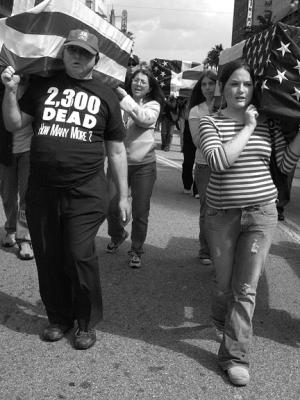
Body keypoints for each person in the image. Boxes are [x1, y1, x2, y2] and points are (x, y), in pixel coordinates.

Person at [1, 29, 130, 350]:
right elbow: (14, 123)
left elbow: (116, 150)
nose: (77, 57)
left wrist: (123, 196)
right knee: (48, 255)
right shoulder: (43, 87)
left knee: (78, 253)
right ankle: (59, 317)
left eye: (84, 53)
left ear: (95, 60)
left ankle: (86, 322)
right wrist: (10, 91)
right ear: (63, 53)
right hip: (42, 190)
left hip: (86, 193)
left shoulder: (106, 95)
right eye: (72, 50)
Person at [199, 59, 300, 386]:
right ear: (223, 88)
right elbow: (218, 161)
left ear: (254, 87)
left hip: (261, 214)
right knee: (224, 285)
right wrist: (247, 127)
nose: (240, 90)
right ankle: (220, 317)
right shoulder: (210, 122)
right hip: (222, 216)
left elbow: (284, 164)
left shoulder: (269, 124)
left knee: (245, 289)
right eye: (233, 84)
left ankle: (235, 355)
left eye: (246, 84)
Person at [106, 68, 164, 268]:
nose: (138, 84)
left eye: (143, 82)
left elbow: (144, 118)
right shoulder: (118, 104)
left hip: (144, 166)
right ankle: (118, 234)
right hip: (118, 164)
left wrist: (124, 96)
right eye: (136, 80)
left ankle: (136, 249)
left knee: (140, 211)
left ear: (149, 88)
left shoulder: (153, 105)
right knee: (111, 206)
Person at [0, 77, 34, 260]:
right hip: (5, 149)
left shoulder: (37, 84)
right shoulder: (3, 83)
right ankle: (10, 229)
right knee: (7, 194)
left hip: (29, 148)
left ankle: (24, 238)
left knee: (27, 195)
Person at [188, 70, 217, 264]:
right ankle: (205, 251)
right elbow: (198, 141)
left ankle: (222, 250)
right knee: (207, 209)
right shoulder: (196, 110)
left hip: (227, 166)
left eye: (211, 83)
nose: (207, 88)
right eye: (204, 84)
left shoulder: (227, 106)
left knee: (226, 210)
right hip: (205, 165)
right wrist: (215, 118)